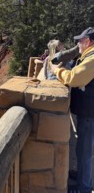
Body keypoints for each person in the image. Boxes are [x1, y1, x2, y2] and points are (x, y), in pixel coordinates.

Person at [51, 27, 94, 193]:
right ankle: (84, 178)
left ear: (87, 42)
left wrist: (56, 70)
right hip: (88, 112)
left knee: (85, 152)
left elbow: (74, 78)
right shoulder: (87, 55)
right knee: (84, 149)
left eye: (80, 41)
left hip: (90, 114)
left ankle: (84, 188)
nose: (77, 44)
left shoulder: (92, 58)